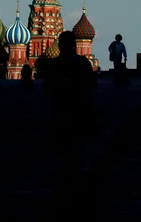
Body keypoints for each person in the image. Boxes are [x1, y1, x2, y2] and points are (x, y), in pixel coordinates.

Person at [46, 31, 97, 218]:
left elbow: (49, 87)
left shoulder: (55, 65)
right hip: (77, 113)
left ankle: (64, 188)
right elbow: (90, 85)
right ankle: (73, 186)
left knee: (63, 152)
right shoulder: (83, 63)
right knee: (75, 151)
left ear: (60, 45)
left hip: (61, 113)